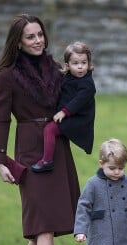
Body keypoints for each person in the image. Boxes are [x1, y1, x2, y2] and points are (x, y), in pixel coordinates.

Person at [0, 14, 81, 245]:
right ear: (18, 42)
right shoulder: (7, 75)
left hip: (56, 147)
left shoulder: (55, 69)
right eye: (30, 36)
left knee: (44, 226)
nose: (38, 40)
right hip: (29, 151)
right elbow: (1, 120)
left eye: (40, 34)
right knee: (42, 223)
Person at [31, 41, 96, 173]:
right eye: (75, 63)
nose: (80, 67)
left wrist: (64, 112)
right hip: (70, 115)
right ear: (67, 65)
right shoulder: (68, 77)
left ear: (88, 63)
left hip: (78, 119)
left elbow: (78, 101)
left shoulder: (88, 85)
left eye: (84, 63)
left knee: (50, 129)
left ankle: (47, 161)